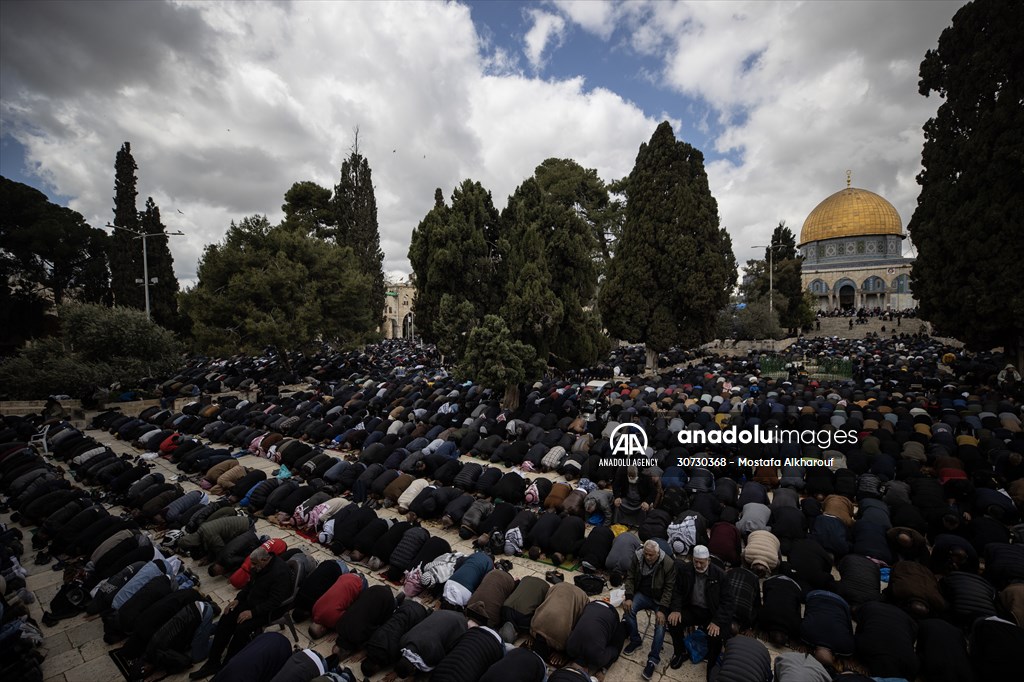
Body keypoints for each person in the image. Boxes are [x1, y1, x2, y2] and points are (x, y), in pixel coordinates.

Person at [190, 547, 291, 679]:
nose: (252, 566)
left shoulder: (280, 572)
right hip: (252, 603)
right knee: (227, 616)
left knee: (242, 629)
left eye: (255, 564)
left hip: (266, 610)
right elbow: (249, 586)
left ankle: (228, 664)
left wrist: (252, 613)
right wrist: (238, 599)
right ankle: (213, 662)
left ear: (265, 559)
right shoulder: (258, 566)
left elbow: (275, 601)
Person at [666, 545, 728, 676]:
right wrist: (676, 609)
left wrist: (717, 621)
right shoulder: (686, 570)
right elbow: (677, 591)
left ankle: (711, 665)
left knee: (715, 636)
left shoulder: (720, 575)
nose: (698, 565)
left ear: (708, 561)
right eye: (696, 562)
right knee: (673, 622)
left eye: (701, 562)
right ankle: (680, 652)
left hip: (711, 613)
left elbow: (727, 602)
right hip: (692, 609)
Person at [622, 539, 677, 680]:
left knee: (660, 624)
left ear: (657, 554)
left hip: (659, 600)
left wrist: (663, 609)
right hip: (643, 595)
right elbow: (630, 577)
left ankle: (653, 659)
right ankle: (635, 640)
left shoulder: (668, 564)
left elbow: (669, 589)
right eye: (646, 554)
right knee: (628, 609)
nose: (647, 557)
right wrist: (629, 596)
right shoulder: (637, 556)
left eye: (651, 555)